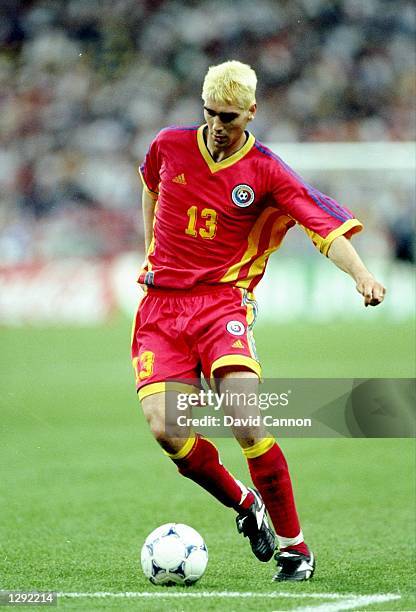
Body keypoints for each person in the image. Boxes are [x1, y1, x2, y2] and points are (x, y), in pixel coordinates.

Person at [131, 60, 386, 581]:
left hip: (223, 303)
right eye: (210, 115)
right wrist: (150, 247)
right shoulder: (169, 144)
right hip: (160, 307)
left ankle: (296, 548)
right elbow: (150, 185)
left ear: (251, 111)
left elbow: (323, 228)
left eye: (229, 117)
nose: (219, 126)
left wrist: (361, 275)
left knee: (245, 417)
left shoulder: (266, 170)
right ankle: (245, 503)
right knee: (166, 429)